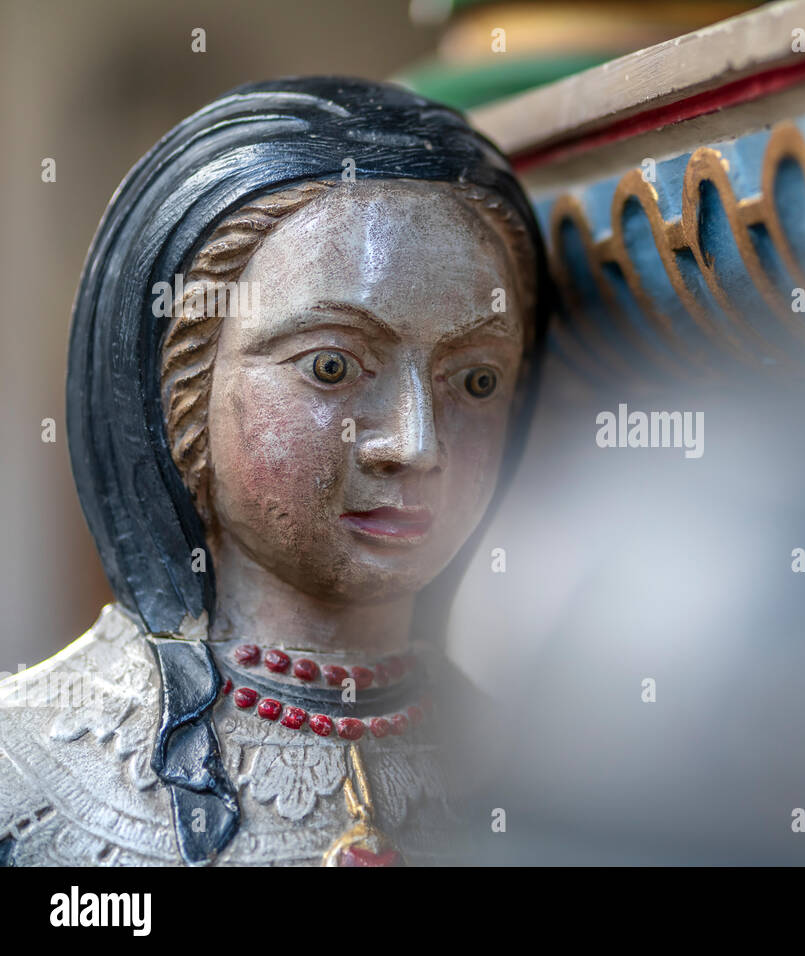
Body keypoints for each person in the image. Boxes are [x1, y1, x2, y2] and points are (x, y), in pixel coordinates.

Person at [0, 77, 550, 866]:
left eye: (476, 380)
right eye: (332, 365)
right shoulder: (23, 778)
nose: (416, 444)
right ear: (180, 388)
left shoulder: (555, 770)